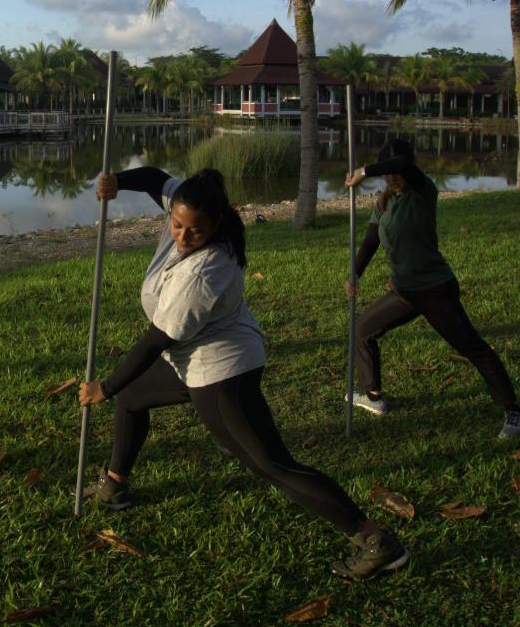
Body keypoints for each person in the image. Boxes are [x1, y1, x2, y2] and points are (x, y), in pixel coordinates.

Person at [77, 167, 407, 580]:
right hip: (190, 361)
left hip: (221, 371)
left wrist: (104, 388)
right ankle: (113, 486)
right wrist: (116, 181)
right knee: (134, 398)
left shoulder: (206, 268)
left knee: (271, 464)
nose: (181, 236)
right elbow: (154, 178)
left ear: (215, 225)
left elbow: (154, 341)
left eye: (194, 231)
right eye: (176, 225)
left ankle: (375, 540)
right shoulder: (187, 204)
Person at [343, 138, 520, 440]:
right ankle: (373, 396)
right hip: (403, 291)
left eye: (393, 173)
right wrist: (355, 274)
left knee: (471, 347)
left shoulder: (422, 189)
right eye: (388, 175)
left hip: (434, 290)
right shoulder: (385, 201)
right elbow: (370, 241)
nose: (392, 178)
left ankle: (513, 411)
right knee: (362, 329)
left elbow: (402, 165)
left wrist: (365, 170)